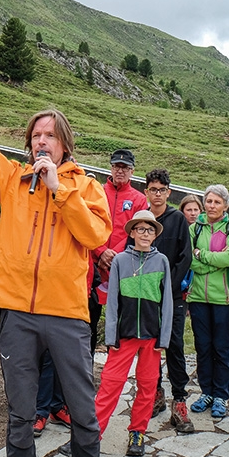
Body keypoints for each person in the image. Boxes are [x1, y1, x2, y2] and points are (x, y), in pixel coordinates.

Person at [0, 22, 112, 457]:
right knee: (19, 414)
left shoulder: (86, 187)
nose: (41, 141)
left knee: (83, 412)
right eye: (35, 135)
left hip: (67, 314)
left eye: (49, 135)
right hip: (16, 311)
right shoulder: (12, 178)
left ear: (64, 143)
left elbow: (95, 236)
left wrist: (59, 189)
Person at [94, 210, 172, 456]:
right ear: (132, 233)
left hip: (152, 337)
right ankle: (90, 436)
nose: (145, 234)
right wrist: (111, 336)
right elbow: (113, 300)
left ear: (155, 234)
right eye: (140, 229)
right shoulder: (119, 261)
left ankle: (137, 432)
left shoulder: (162, 261)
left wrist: (164, 338)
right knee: (110, 385)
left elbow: (167, 302)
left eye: (150, 230)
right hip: (124, 336)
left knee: (147, 387)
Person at [143, 169, 193, 433]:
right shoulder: (142, 219)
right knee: (150, 346)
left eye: (162, 190)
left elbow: (185, 257)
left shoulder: (178, 220)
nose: (158, 194)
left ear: (169, 192)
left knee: (174, 345)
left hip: (172, 296)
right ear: (146, 192)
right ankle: (155, 392)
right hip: (146, 296)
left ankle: (180, 399)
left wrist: (168, 287)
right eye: (153, 189)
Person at [187, 184, 229, 419]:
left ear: (226, 206)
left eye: (217, 202)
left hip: (225, 300)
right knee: (203, 347)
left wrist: (202, 255)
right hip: (198, 297)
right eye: (209, 201)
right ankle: (206, 392)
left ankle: (221, 395)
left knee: (222, 348)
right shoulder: (194, 229)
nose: (212, 206)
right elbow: (190, 260)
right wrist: (210, 263)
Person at [90, 149, 148, 355]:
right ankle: (85, 366)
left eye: (124, 167)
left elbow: (137, 231)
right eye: (116, 166)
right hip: (94, 265)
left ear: (132, 171)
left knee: (120, 323)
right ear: (111, 168)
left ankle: (115, 366)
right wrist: (100, 251)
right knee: (88, 320)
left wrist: (113, 254)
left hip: (123, 267)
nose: (120, 171)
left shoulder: (139, 199)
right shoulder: (96, 191)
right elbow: (87, 224)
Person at [178, 194, 203, 298]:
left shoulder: (205, 230)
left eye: (196, 210)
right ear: (182, 211)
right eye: (189, 210)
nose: (193, 213)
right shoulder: (177, 229)